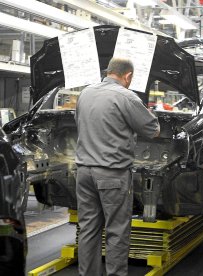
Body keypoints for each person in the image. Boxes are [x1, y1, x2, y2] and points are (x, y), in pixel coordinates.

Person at [75, 57, 160, 276]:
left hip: (83, 172)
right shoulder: (126, 96)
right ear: (128, 75)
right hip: (112, 174)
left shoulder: (85, 93)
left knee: (88, 229)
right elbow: (152, 129)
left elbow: (80, 123)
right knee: (116, 231)